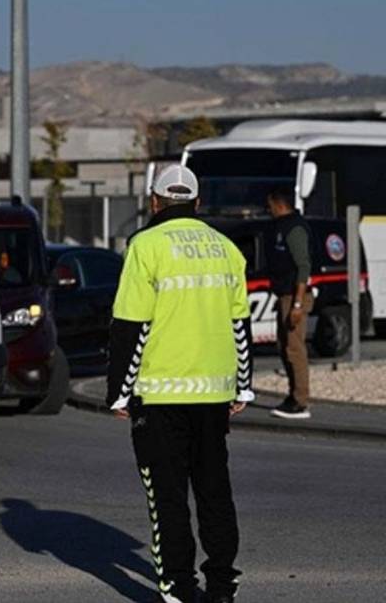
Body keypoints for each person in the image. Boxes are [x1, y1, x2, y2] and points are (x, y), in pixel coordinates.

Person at [107, 165, 254, 603]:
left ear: (154, 201)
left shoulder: (145, 246)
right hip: (213, 393)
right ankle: (223, 586)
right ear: (197, 202)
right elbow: (238, 324)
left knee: (167, 498)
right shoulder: (226, 248)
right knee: (214, 490)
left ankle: (178, 588)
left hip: (160, 394)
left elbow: (131, 324)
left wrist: (119, 391)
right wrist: (242, 386)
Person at [265, 185, 313, 420]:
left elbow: (303, 266)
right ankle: (293, 395)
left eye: (270, 204)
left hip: (295, 296)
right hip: (283, 295)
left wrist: (296, 305)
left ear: (279, 203)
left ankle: (301, 401)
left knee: (294, 349)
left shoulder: (294, 228)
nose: (269, 209)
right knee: (283, 347)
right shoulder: (279, 227)